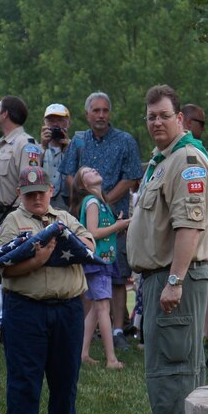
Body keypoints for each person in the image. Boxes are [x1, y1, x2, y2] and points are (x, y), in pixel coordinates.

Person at [127, 84, 208, 414]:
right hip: (159, 277)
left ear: (180, 118)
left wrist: (174, 281)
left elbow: (189, 226)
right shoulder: (162, 161)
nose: (156, 122)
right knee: (171, 372)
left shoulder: (187, 161)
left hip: (175, 279)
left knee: (174, 377)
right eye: (151, 117)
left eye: (164, 115)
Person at [0, 167, 95, 414]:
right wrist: (38, 259)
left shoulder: (65, 219)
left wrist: (65, 245)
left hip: (68, 307)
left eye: (41, 192)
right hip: (26, 307)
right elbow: (5, 267)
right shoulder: (13, 221)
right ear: (20, 195)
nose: (36, 198)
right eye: (30, 194)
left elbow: (89, 246)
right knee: (25, 374)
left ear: (51, 190)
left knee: (66, 374)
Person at [60, 92, 142, 353]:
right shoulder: (79, 141)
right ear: (87, 114)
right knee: (87, 276)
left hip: (114, 216)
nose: (101, 115)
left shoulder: (125, 140)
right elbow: (69, 175)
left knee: (116, 275)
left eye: (105, 110)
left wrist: (104, 199)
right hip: (85, 218)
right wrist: (86, 196)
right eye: (96, 110)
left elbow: (131, 178)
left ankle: (117, 329)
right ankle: (85, 330)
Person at [70, 166, 129, 369]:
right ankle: (111, 359)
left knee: (96, 308)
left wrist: (116, 225)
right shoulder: (93, 202)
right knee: (104, 307)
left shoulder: (100, 202)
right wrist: (120, 226)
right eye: (87, 171)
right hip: (98, 262)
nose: (94, 170)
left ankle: (83, 353)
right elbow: (92, 233)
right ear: (83, 184)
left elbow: (103, 232)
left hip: (103, 260)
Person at [0, 95, 39, 244]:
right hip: (0, 219)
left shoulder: (26, 144)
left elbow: (30, 187)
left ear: (5, 114)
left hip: (16, 221)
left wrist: (20, 224)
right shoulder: (5, 145)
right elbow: (2, 190)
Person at [40, 104, 71, 209]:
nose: (55, 125)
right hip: (42, 204)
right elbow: (31, 172)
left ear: (68, 123)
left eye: (60, 120)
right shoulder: (36, 148)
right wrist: (43, 146)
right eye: (51, 121)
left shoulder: (76, 148)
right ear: (44, 124)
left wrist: (68, 150)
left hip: (67, 206)